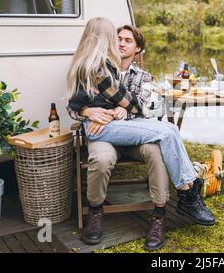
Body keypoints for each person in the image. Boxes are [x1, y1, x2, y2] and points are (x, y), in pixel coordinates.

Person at [66, 18, 215, 250]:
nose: (120, 43)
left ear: (138, 49)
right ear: (105, 39)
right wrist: (91, 110)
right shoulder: (100, 68)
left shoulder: (102, 67)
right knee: (169, 131)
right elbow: (129, 104)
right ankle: (187, 193)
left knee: (163, 141)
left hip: (129, 130)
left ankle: (160, 214)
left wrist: (114, 108)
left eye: (127, 40)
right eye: (116, 38)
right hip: (105, 130)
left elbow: (140, 107)